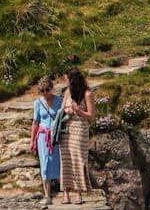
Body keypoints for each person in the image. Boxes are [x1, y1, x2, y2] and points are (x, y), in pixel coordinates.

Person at [60, 68, 95, 205]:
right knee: (66, 159)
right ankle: (66, 193)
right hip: (66, 129)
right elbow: (62, 109)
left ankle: (78, 193)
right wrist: (67, 110)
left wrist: (78, 110)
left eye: (66, 78)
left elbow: (91, 116)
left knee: (78, 159)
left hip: (80, 129)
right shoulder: (67, 92)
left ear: (72, 80)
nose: (65, 81)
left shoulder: (87, 94)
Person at [30, 77, 63, 206]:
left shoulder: (59, 101)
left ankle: (65, 192)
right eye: (42, 90)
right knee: (45, 164)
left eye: (47, 90)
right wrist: (32, 141)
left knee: (59, 163)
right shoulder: (38, 103)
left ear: (52, 88)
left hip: (56, 137)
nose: (45, 92)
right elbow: (35, 122)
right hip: (43, 137)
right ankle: (47, 195)